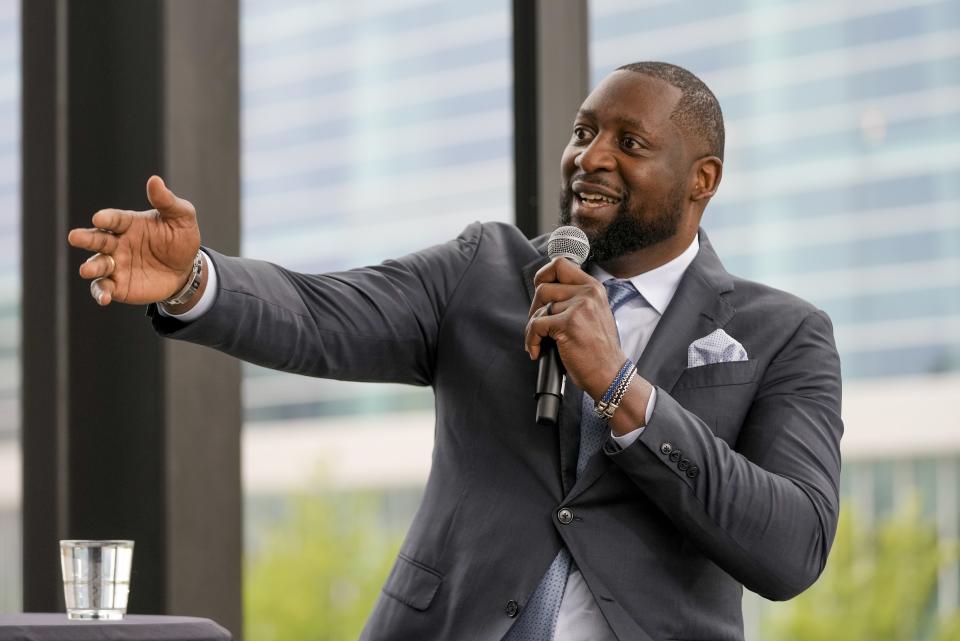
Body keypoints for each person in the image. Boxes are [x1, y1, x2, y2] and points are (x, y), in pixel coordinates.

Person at [68, 62, 843, 641]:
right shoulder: (488, 271)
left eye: (629, 142)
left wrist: (621, 388)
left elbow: (791, 546)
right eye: (583, 132)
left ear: (702, 179)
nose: (591, 156)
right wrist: (196, 279)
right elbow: (322, 313)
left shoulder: (784, 335)